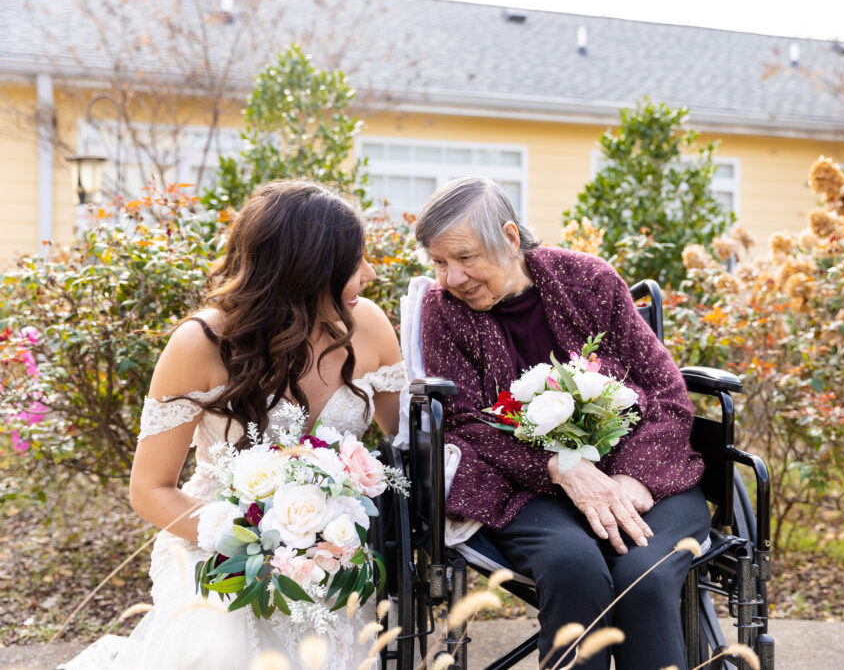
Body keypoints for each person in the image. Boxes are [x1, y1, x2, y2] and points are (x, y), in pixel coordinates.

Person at [64, 179, 406, 670]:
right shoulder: (200, 344)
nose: (369, 275)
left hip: (331, 555)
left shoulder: (369, 326)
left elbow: (412, 442)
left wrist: (322, 539)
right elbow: (149, 489)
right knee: (223, 640)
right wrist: (256, 542)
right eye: (354, 266)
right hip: (213, 546)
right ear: (307, 272)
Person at [416, 177, 711, 669]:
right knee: (572, 567)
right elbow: (464, 422)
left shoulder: (589, 280)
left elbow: (667, 391)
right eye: (439, 262)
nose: (452, 278)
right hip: (524, 490)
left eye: (465, 257)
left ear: (510, 238)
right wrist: (559, 468)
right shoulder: (442, 310)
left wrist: (632, 476)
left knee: (645, 575)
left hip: (646, 476)